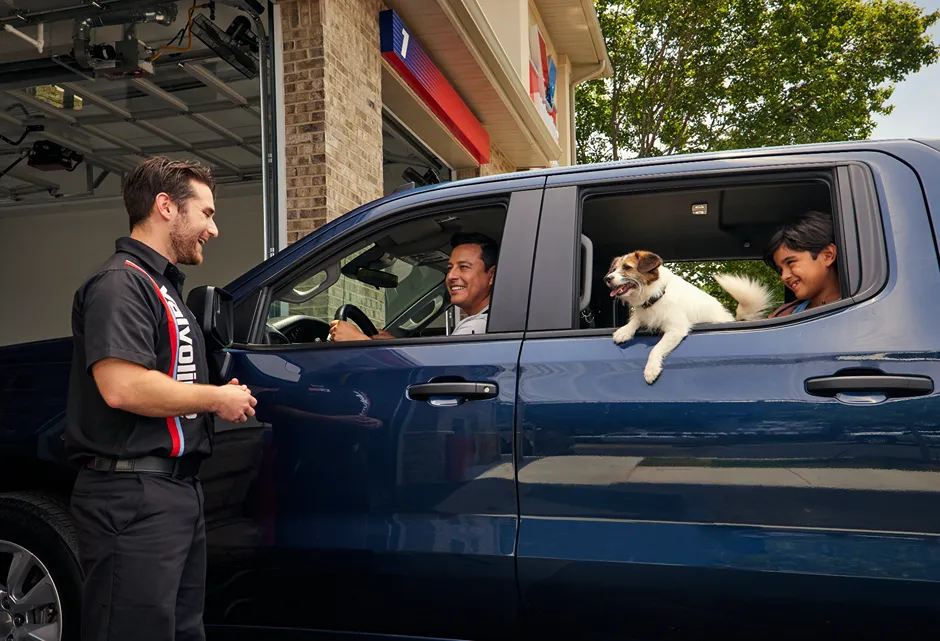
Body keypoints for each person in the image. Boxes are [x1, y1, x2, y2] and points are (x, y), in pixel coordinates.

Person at [65, 156, 258, 641]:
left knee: (179, 630)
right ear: (166, 206)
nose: (213, 229)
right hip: (131, 498)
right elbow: (122, 386)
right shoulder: (121, 283)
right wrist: (214, 398)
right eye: (207, 213)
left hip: (174, 495)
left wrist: (210, 394)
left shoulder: (162, 286)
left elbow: (169, 379)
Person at [329, 231, 498, 340]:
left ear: (491, 276)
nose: (452, 275)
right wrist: (394, 344)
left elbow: (434, 375)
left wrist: (358, 340)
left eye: (463, 267)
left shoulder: (479, 327)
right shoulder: (483, 321)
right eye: (449, 268)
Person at [763, 209, 842, 318]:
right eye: (780, 270)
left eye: (790, 262)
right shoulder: (781, 317)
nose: (784, 276)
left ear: (828, 255)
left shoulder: (857, 310)